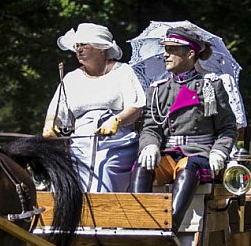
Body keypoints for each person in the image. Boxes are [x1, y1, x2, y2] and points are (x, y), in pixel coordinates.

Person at [132, 26, 238, 229]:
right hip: (168, 154)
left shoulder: (210, 85)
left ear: (190, 54)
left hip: (200, 155)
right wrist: (150, 145)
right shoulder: (158, 89)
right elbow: (150, 127)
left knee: (188, 167)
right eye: (165, 49)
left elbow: (227, 128)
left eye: (172, 49)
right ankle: (138, 225)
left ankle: (169, 227)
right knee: (142, 165)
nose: (165, 54)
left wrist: (219, 151)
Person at [43, 22, 146, 192]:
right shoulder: (71, 78)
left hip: (116, 145)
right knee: (62, 178)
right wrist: (50, 124)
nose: (79, 49)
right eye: (77, 45)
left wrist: (116, 120)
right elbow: (57, 111)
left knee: (103, 169)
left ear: (101, 48)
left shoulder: (123, 72)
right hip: (79, 145)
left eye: (84, 44)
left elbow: (136, 107)